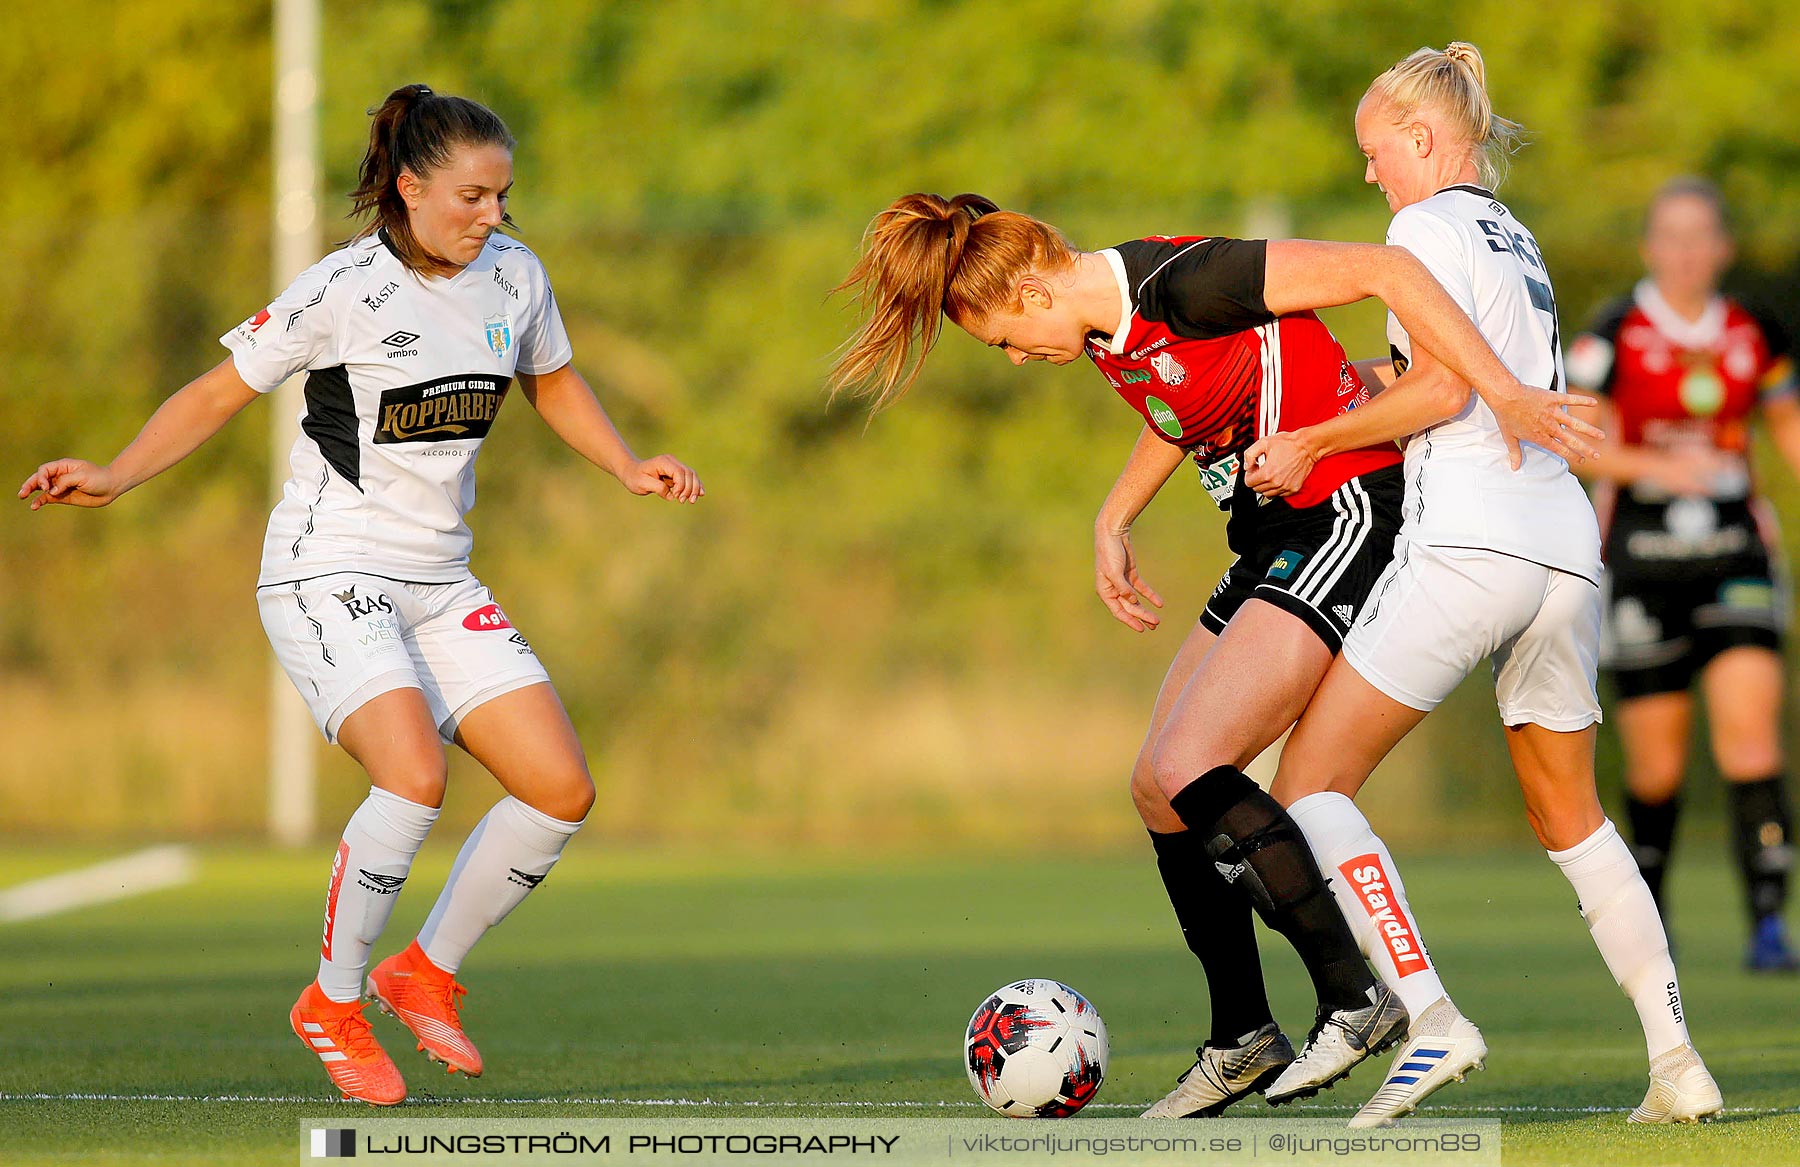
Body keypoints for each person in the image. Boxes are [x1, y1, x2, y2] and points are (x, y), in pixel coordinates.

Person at [829, 190, 1586, 1117]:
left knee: (1196, 760)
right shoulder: (1110, 329)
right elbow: (1178, 399)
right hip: (1271, 536)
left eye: (1004, 342)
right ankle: (1243, 1036)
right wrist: (1114, 515)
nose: (1018, 360)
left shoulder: (1188, 280)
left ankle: (1359, 998)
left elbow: (1384, 271)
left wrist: (1502, 390)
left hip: (1345, 509)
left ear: (1031, 294)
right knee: (1157, 784)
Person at [18, 84, 704, 1107]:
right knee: (412, 776)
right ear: (410, 186)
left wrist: (624, 462)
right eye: (472, 196)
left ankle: (422, 972)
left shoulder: (516, 276)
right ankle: (332, 1003)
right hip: (327, 567)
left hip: (440, 578)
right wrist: (117, 473)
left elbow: (550, 380)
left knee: (561, 789)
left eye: (504, 196)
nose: (494, 217)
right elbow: (218, 390)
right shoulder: (343, 288)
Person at [1244, 43, 1721, 1126]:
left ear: (1420, 140)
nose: (1370, 177)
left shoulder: (1416, 230)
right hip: (1565, 549)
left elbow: (1446, 395)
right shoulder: (1516, 234)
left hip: (1472, 545)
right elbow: (1449, 378)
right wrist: (1367, 386)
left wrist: (1315, 438)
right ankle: (1677, 1059)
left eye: (1375, 152)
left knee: (1307, 788)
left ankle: (1429, 1017)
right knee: (1572, 816)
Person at [1564, 177, 1798, 972]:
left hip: (1736, 556)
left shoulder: (1755, 331)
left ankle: (1769, 925)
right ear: (1649, 247)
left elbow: (1787, 427)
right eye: (1673, 235)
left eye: (1703, 236)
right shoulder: (1614, 331)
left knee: (1750, 736)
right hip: (1641, 558)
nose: (1688, 252)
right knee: (1656, 766)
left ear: (1724, 248)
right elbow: (1574, 437)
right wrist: (1661, 464)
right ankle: (1650, 923)